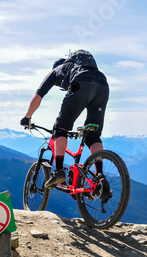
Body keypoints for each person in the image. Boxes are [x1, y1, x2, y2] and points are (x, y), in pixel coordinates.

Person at [20, 50, 109, 188]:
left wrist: (27, 117)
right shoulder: (78, 67)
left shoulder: (56, 70)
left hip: (81, 82)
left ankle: (59, 171)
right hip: (103, 84)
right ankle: (100, 177)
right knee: (93, 136)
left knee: (60, 129)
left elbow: (38, 96)